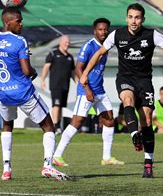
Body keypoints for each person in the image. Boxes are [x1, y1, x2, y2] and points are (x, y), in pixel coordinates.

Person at [80, 3, 163, 178]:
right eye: (130, 17)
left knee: (146, 120)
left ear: (142, 19)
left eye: (137, 17)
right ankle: (133, 134)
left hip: (145, 82)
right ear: (126, 18)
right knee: (127, 101)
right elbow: (99, 53)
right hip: (125, 79)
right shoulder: (117, 35)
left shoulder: (152, 35)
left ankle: (148, 163)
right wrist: (85, 73)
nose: (133, 21)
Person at [0, 7, 68, 181]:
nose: (22, 23)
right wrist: (33, 73)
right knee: (48, 126)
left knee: (7, 125)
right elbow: (26, 70)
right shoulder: (20, 41)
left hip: (4, 94)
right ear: (8, 22)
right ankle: (48, 166)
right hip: (24, 92)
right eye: (19, 20)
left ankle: (6, 169)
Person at [53, 18, 124, 167]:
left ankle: (107, 157)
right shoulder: (89, 46)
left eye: (106, 29)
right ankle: (57, 155)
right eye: (100, 29)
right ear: (94, 31)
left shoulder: (106, 46)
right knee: (77, 122)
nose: (103, 32)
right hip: (86, 90)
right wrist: (87, 89)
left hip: (100, 90)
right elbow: (79, 68)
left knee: (109, 120)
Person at [41, 35, 77, 133]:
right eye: (66, 42)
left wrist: (78, 83)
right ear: (60, 43)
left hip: (65, 86)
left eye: (68, 42)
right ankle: (55, 126)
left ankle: (58, 126)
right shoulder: (53, 54)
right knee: (56, 105)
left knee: (61, 106)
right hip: (55, 85)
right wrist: (43, 80)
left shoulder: (70, 57)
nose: (67, 44)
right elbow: (46, 67)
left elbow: (73, 72)